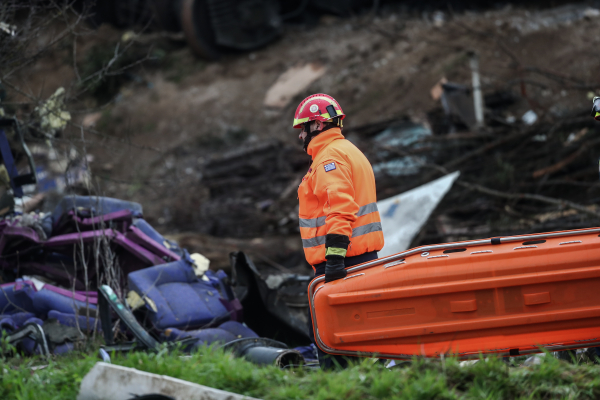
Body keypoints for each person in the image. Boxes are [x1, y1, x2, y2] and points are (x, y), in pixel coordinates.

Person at [293, 93, 384, 369]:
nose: (301, 136)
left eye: (304, 127)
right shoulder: (349, 151)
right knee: (362, 336)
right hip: (361, 260)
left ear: (318, 125)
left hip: (342, 265)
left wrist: (334, 259)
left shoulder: (328, 159)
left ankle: (340, 391)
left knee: (332, 340)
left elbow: (341, 209)